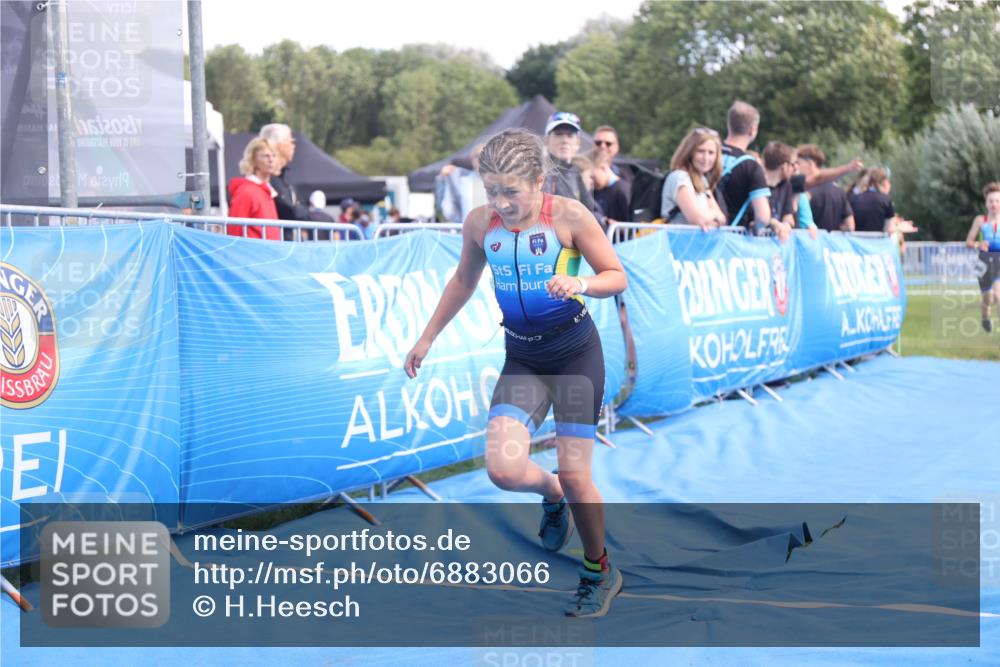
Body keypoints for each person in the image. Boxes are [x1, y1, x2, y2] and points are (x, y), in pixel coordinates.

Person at [404, 128, 628, 618]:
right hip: (523, 358)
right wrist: (427, 336)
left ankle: (599, 569)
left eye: (511, 191)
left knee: (576, 473)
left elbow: (616, 275)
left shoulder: (570, 216)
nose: (501, 203)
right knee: (504, 470)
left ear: (539, 181)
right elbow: (464, 279)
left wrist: (582, 282)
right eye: (491, 191)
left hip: (573, 356)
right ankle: (551, 495)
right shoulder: (480, 224)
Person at [716, 101, 777, 236]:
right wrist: (757, 226)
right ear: (752, 130)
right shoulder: (751, 166)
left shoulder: (707, 154)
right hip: (731, 240)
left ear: (728, 124)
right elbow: (763, 216)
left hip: (699, 236)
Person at [542, 111, 607, 230]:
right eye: (558, 134)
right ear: (546, 140)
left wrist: (605, 221)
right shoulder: (540, 171)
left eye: (570, 135)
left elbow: (591, 209)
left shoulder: (574, 172)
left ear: (578, 143)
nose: (565, 140)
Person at [660, 127, 727, 231]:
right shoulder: (680, 178)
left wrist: (710, 219)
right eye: (701, 151)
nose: (706, 158)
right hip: (676, 244)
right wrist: (714, 214)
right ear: (689, 152)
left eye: (711, 152)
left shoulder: (702, 180)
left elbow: (722, 220)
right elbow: (698, 219)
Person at [259, 123, 312, 240]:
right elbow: (291, 212)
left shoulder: (286, 178)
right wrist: (297, 209)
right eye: (291, 141)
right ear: (280, 145)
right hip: (277, 246)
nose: (293, 146)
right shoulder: (266, 179)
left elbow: (304, 210)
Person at [226, 138, 282, 240]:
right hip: (253, 253)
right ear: (253, 160)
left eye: (274, 155)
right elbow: (235, 231)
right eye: (266, 156)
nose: (271, 160)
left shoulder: (266, 191)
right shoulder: (246, 191)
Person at [965, 182, 1000, 332]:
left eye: (997, 201)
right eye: (991, 201)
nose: (994, 204)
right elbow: (969, 242)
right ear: (986, 202)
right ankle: (985, 318)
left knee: (999, 297)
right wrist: (979, 245)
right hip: (984, 262)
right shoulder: (980, 220)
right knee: (988, 297)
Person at [796, 144, 855, 232]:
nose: (795, 167)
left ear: (810, 164)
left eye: (798, 163)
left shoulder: (803, 190)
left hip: (807, 241)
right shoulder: (839, 191)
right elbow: (850, 225)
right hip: (832, 243)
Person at [592, 154, 631, 223]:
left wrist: (609, 223)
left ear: (603, 167)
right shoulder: (595, 190)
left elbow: (633, 227)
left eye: (592, 177)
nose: (591, 181)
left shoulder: (623, 190)